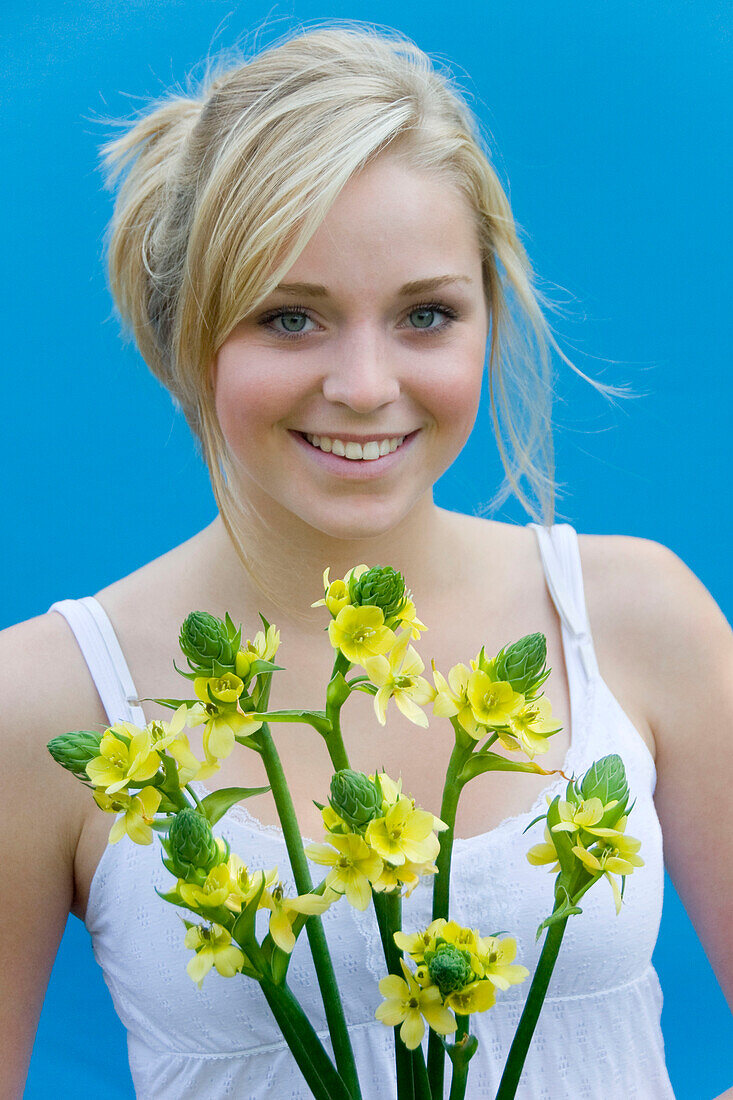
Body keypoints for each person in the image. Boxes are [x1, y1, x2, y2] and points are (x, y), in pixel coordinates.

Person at [2, 21, 731, 1100]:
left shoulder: (634, 617)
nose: (363, 383)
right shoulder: (44, 700)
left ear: (486, 317)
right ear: (181, 334)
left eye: (424, 314)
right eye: (290, 317)